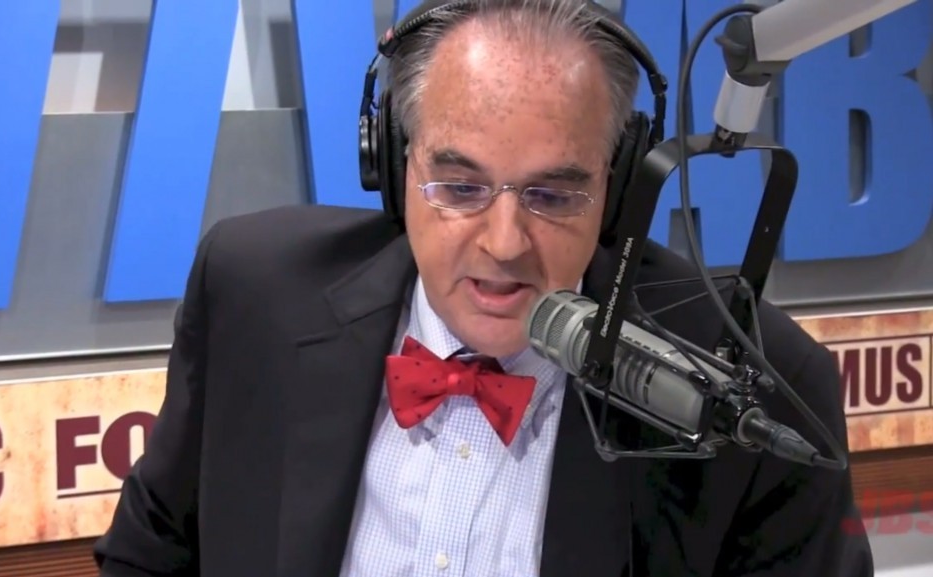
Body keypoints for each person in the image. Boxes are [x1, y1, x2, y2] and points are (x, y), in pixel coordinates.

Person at [93, 0, 874, 575]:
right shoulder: (252, 294)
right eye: (460, 187)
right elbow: (148, 556)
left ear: (616, 191)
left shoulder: (753, 389)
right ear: (393, 163)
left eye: (553, 194)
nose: (504, 243)